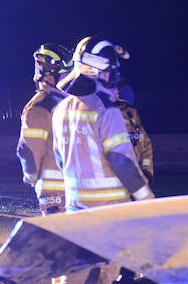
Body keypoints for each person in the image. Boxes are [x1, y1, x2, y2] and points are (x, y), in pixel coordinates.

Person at [52, 36, 155, 211]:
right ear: (96, 70)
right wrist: (147, 198)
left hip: (75, 207)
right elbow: (121, 161)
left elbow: (60, 159)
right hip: (109, 210)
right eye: (111, 72)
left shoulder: (60, 110)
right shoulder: (107, 110)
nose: (113, 78)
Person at [15, 42, 70, 214]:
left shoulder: (38, 107)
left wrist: (30, 177)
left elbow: (28, 150)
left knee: (60, 238)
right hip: (80, 190)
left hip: (54, 193)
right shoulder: (75, 105)